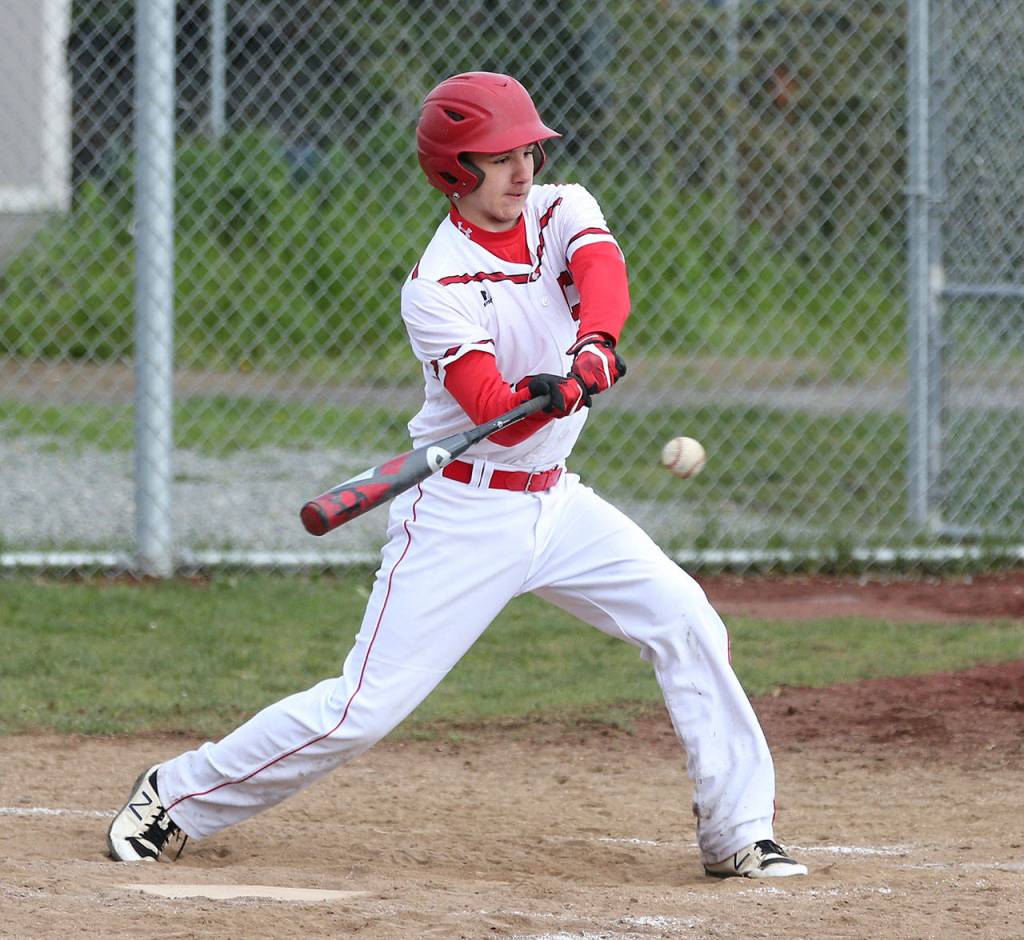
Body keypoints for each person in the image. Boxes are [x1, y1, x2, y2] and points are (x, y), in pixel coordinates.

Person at [107, 71, 807, 880]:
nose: (522, 171)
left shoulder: (559, 208)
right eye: (497, 157)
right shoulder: (435, 286)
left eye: (527, 152)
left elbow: (602, 276)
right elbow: (488, 402)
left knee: (685, 619)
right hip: (460, 515)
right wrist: (543, 399)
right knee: (360, 711)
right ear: (452, 170)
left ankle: (737, 832)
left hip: (557, 505)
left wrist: (593, 349)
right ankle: (174, 795)